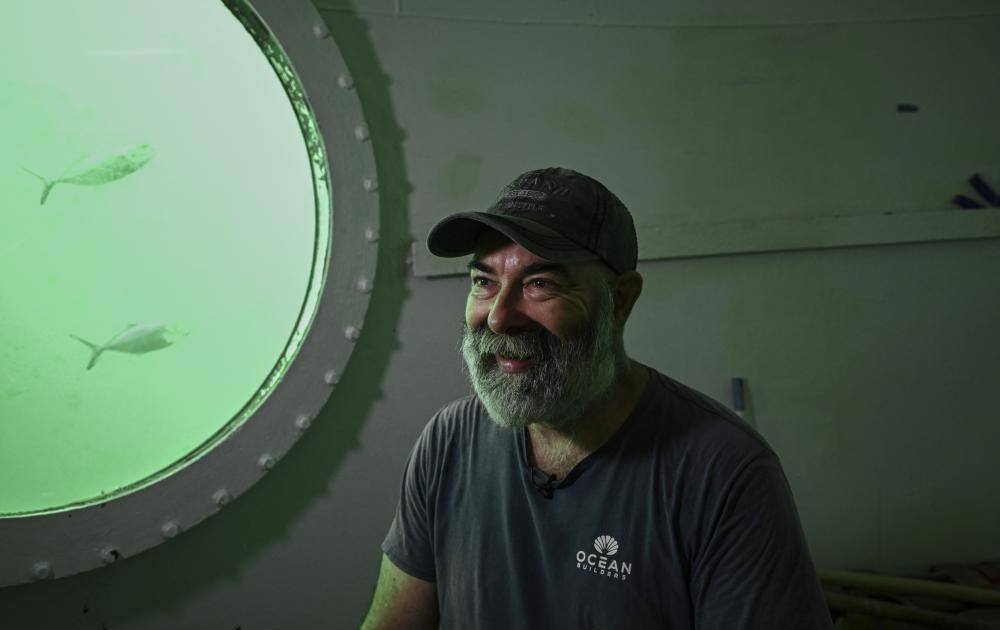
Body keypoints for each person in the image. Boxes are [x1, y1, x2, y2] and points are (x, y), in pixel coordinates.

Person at [361, 167, 834, 629]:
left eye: (540, 284)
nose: (500, 317)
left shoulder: (724, 473)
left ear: (620, 300)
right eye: (484, 282)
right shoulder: (449, 443)